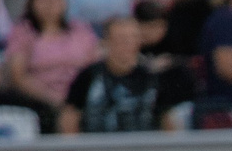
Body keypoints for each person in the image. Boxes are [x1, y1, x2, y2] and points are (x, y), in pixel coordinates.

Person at [60, 13, 190, 133]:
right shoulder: (88, 76)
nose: (127, 44)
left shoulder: (153, 79)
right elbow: (70, 116)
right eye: (121, 38)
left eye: (132, 38)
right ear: (106, 41)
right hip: (97, 147)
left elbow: (167, 121)